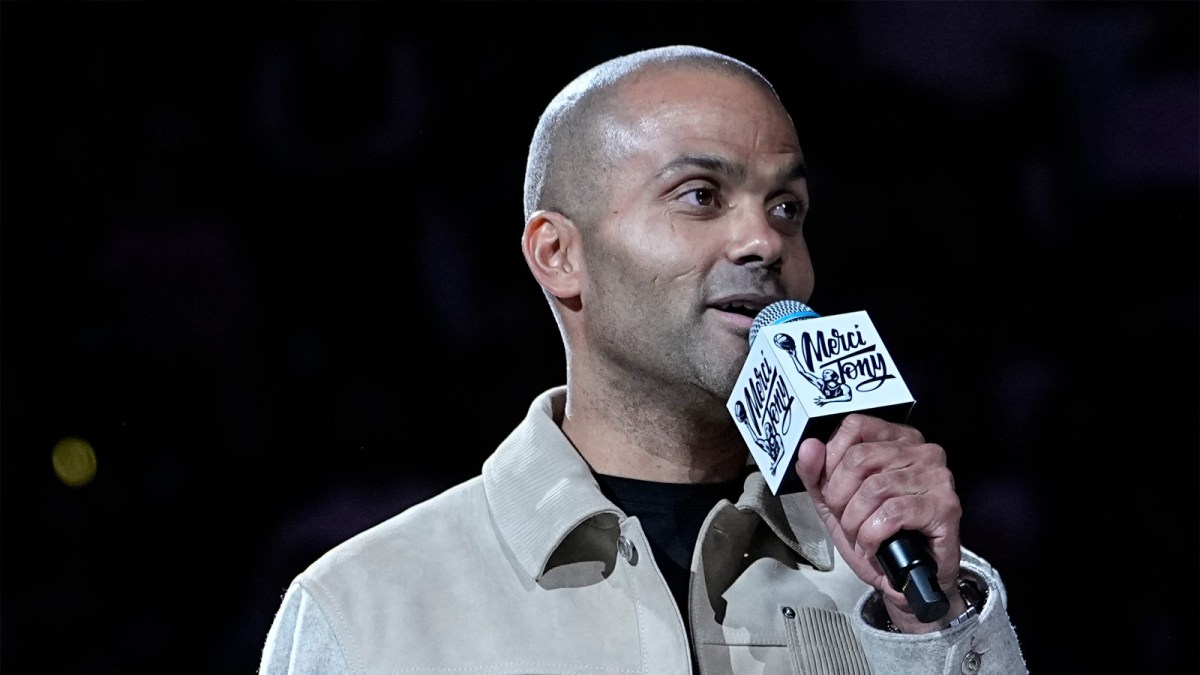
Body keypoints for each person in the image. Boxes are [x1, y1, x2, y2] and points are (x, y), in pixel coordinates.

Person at [258, 45, 1028, 674]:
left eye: (787, 207)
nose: (764, 242)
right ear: (558, 254)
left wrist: (932, 626)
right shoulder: (369, 606)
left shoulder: (902, 581)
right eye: (700, 196)